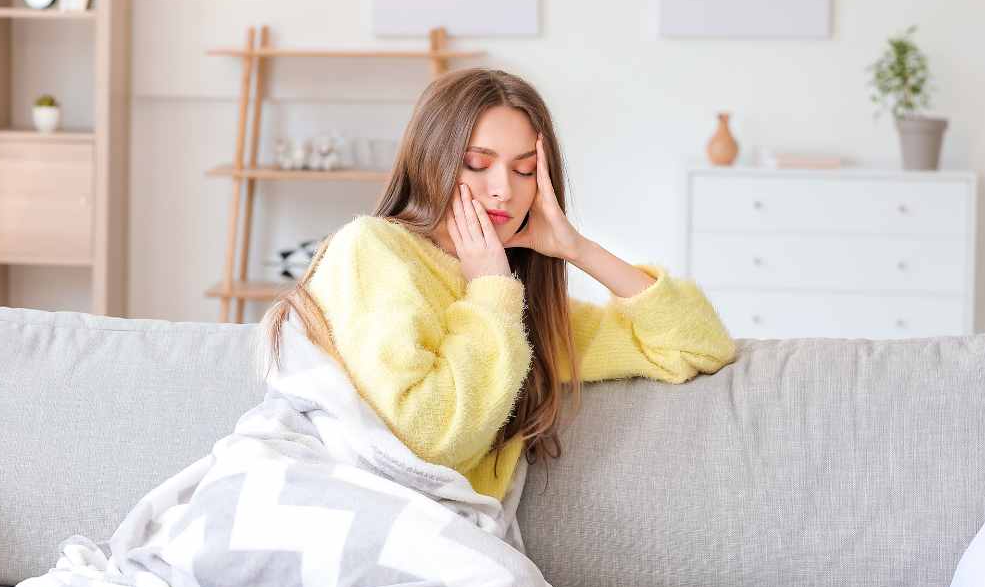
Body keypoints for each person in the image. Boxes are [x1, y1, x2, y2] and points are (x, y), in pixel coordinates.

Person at [262, 67, 737, 502]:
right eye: (477, 163)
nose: (503, 190)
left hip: (446, 531)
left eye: (524, 170)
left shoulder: (516, 307)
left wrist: (578, 248)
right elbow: (426, 441)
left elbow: (697, 346)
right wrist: (490, 288)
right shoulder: (372, 249)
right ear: (431, 162)